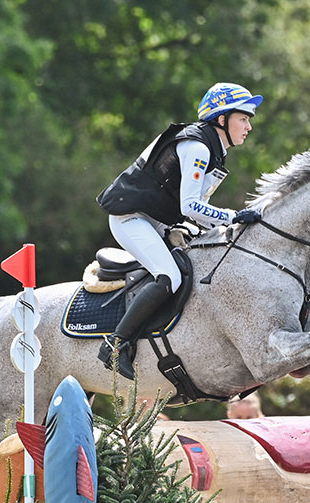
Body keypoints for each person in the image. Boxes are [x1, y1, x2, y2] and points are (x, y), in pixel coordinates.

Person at [95, 82, 264, 379]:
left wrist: (223, 224)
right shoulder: (198, 148)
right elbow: (191, 207)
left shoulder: (214, 149)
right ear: (221, 119)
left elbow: (196, 211)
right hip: (130, 218)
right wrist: (233, 216)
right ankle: (115, 344)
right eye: (243, 118)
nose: (249, 126)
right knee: (169, 277)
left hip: (154, 219)